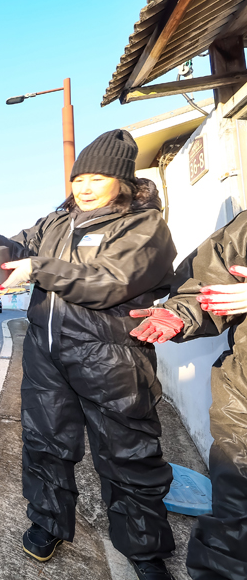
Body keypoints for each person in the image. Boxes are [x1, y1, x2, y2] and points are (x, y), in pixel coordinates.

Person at [0, 130, 177, 580]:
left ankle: (144, 548)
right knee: (45, 443)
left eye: (97, 177)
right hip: (47, 354)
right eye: (78, 177)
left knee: (127, 453)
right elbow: (20, 243)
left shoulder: (143, 225)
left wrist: (39, 268)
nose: (83, 187)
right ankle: (47, 522)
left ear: (121, 179)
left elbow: (111, 280)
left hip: (112, 358)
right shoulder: (58, 221)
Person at [130, 211, 247, 580]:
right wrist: (180, 313)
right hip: (243, 395)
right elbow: (209, 279)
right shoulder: (244, 230)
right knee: (233, 520)